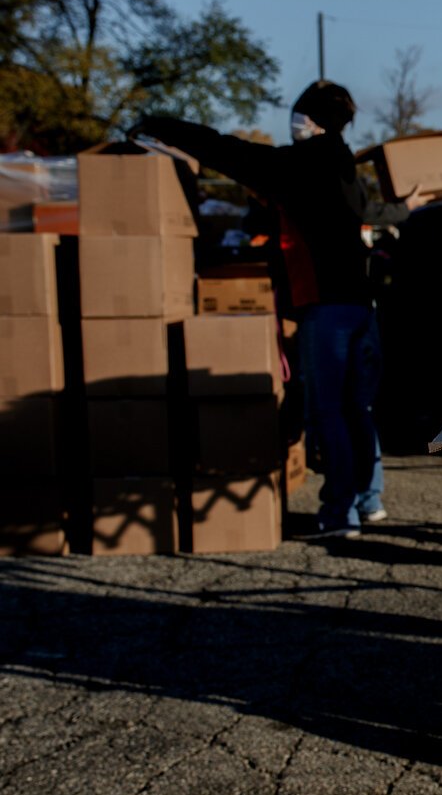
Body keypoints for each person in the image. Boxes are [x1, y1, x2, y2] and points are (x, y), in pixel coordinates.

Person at [134, 81, 420, 538]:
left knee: (329, 410)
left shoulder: (300, 164)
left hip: (325, 307)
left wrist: (163, 127)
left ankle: (339, 514)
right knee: (355, 409)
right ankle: (369, 502)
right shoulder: (343, 166)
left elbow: (228, 151)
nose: (293, 123)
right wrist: (406, 209)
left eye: (298, 115)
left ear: (311, 120)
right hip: (359, 304)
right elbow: (371, 210)